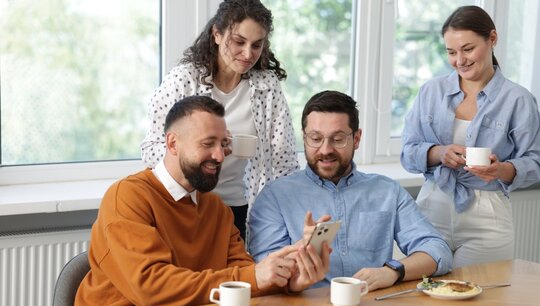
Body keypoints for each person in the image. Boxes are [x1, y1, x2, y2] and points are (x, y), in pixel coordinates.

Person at [71, 96, 328, 306]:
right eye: (208, 143)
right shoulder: (128, 197)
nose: (219, 155)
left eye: (223, 143)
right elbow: (151, 287)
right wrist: (254, 277)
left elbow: (244, 277)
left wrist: (288, 279)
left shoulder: (216, 209)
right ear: (173, 144)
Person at [248, 90, 452, 291]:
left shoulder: (387, 191)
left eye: (337, 139)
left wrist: (392, 271)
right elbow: (265, 273)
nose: (326, 149)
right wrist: (304, 248)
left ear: (356, 138)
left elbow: (436, 250)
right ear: (304, 138)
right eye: (316, 138)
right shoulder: (275, 196)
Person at [140, 0, 299, 240]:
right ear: (217, 34)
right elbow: (152, 151)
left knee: (236, 274)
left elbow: (284, 162)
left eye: (257, 45)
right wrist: (204, 146)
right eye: (238, 42)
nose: (248, 54)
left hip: (240, 207)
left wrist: (286, 220)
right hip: (186, 206)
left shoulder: (267, 86)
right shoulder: (184, 80)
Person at [401, 6, 540, 268]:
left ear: (492, 39)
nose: (460, 60)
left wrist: (501, 170)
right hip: (431, 208)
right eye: (451, 52)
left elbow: (535, 162)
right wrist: (438, 153)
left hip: (487, 217)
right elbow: (407, 152)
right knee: (425, 300)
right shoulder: (431, 91)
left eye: (468, 49)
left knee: (480, 303)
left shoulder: (518, 99)